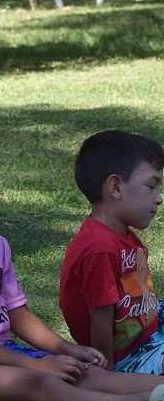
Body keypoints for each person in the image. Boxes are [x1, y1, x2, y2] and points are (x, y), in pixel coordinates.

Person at [0, 136, 164, 401]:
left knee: (83, 373)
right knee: (39, 383)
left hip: (1, 350)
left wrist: (64, 348)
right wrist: (36, 364)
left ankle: (157, 389)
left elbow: (17, 312)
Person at [60, 130, 164, 373]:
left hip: (148, 333)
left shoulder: (120, 234)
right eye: (152, 186)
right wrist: (109, 379)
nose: (159, 198)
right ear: (115, 187)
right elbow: (100, 318)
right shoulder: (99, 247)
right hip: (129, 357)